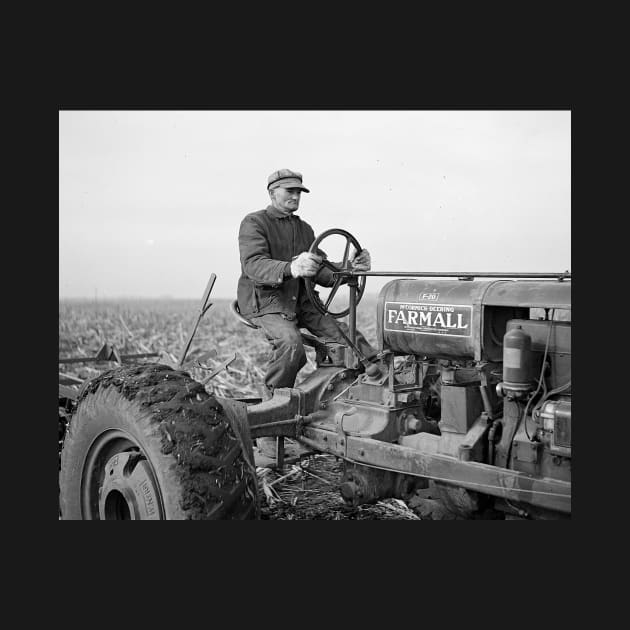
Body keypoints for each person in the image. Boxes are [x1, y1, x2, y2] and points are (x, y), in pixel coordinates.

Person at [237, 168, 378, 402]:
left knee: (349, 338)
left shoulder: (304, 229)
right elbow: (253, 265)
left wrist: (349, 267)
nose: (295, 196)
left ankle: (372, 389)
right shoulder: (254, 222)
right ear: (273, 193)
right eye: (289, 191)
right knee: (291, 345)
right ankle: (273, 406)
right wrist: (291, 268)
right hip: (268, 303)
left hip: (304, 302)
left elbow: (321, 271)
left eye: (299, 192)